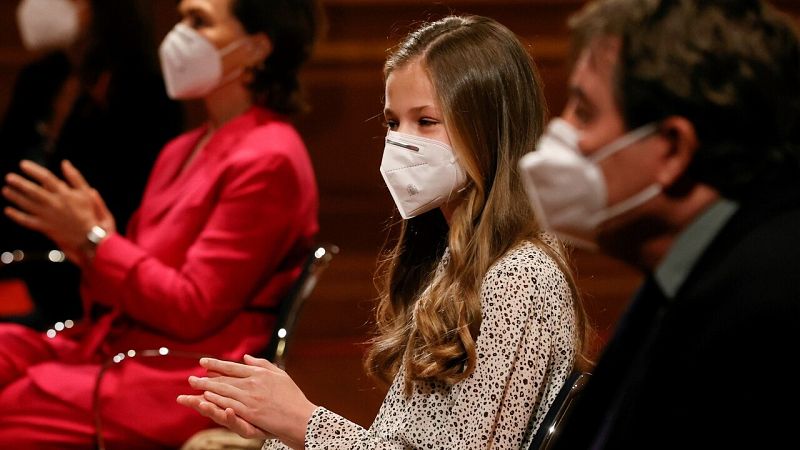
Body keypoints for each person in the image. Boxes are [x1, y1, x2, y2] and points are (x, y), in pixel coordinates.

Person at [178, 14, 592, 449]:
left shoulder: (518, 277)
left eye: (426, 122)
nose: (400, 142)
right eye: (393, 123)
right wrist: (279, 432)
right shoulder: (458, 258)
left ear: (489, 130)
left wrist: (306, 424)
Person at [0, 0, 322, 447]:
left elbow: (191, 309)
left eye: (199, 21)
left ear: (256, 48)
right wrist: (85, 244)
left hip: (183, 375)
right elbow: (135, 284)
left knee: (8, 411)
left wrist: (96, 241)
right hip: (119, 346)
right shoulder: (184, 147)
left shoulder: (270, 158)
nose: (179, 34)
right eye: (183, 17)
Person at [519, 0, 800, 448]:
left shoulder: (771, 312)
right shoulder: (690, 277)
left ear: (671, 149)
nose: (560, 130)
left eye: (584, 112)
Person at [0, 0, 184, 330]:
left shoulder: (145, 91)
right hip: (19, 263)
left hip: (86, 277)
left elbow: (137, 212)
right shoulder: (39, 77)